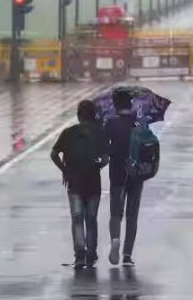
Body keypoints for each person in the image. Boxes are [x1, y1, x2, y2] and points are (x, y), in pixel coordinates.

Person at [50, 100, 109, 269]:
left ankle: (80, 256)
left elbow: (54, 154)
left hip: (74, 183)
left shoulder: (68, 133)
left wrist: (65, 170)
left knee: (77, 220)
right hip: (93, 183)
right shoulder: (99, 133)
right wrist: (97, 166)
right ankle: (91, 255)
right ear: (93, 115)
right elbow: (106, 158)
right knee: (91, 219)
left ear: (78, 115)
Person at [104, 89, 145, 267]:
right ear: (131, 104)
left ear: (115, 105)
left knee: (115, 213)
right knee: (132, 216)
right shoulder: (139, 124)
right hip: (137, 174)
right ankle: (127, 256)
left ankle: (115, 239)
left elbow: (104, 149)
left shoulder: (111, 123)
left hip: (117, 173)